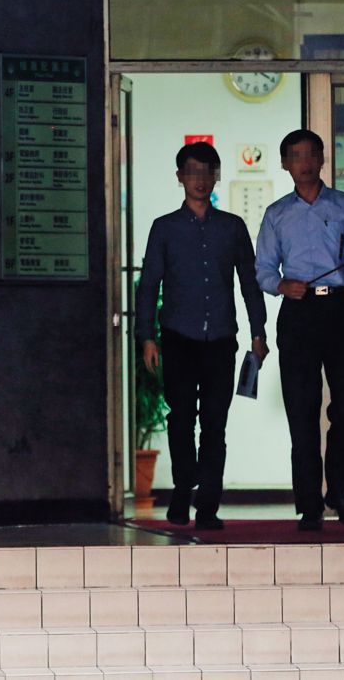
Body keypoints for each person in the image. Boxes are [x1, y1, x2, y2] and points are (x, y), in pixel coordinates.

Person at [135, 141, 268, 530]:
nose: (200, 180)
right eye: (192, 172)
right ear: (180, 177)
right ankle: (182, 489)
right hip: (178, 336)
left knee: (214, 423)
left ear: (216, 177)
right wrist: (147, 337)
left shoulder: (232, 227)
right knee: (180, 418)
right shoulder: (164, 228)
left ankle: (208, 505)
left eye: (207, 172)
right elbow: (149, 286)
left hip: (221, 338)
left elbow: (249, 283)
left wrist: (258, 332)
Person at [255, 129, 344, 531]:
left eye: (311, 154)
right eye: (296, 156)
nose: (305, 163)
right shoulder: (276, 213)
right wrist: (281, 285)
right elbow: (263, 269)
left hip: (338, 308)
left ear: (323, 159)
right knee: (301, 406)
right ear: (284, 164)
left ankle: (341, 491)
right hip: (298, 312)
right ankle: (309, 503)